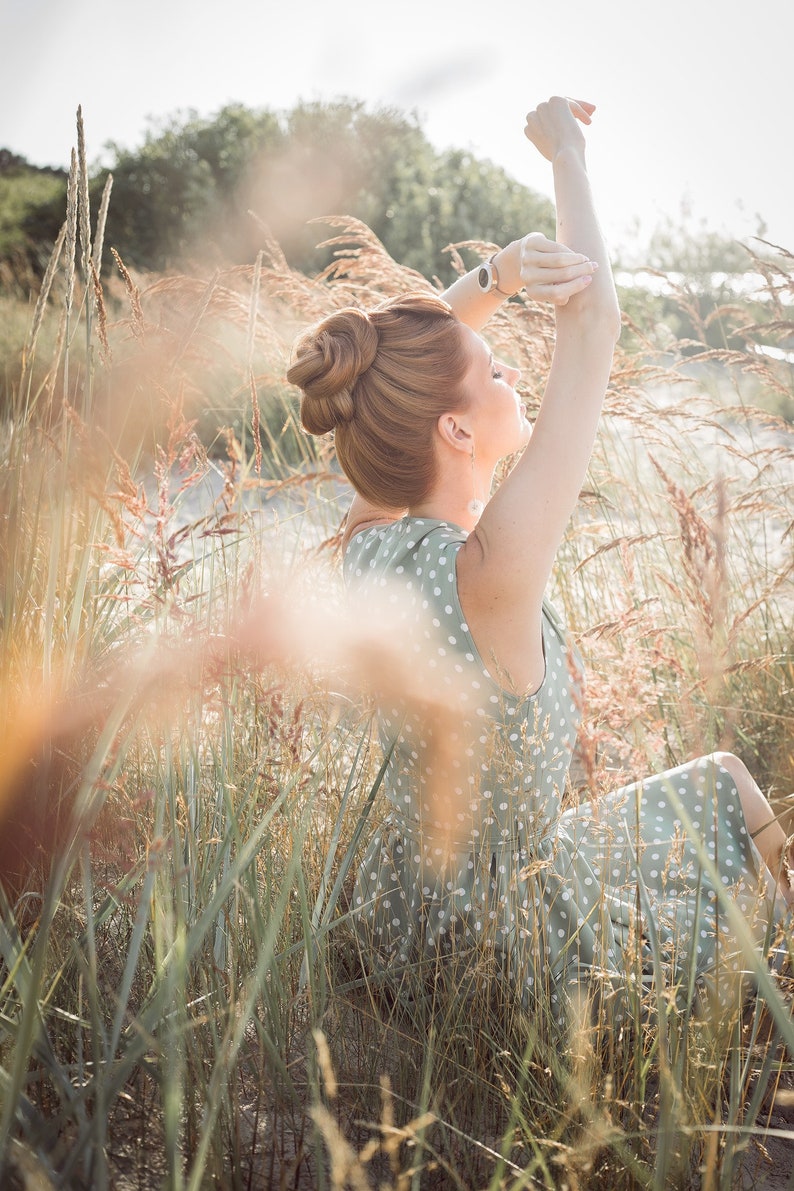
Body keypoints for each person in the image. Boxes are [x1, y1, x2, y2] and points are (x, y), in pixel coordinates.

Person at [286, 97, 791, 1025]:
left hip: (405, 918)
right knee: (727, 787)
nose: (513, 371)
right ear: (456, 426)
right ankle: (784, 988)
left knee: (702, 791)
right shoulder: (495, 573)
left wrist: (497, 274)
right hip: (507, 948)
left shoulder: (368, 542)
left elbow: (388, 379)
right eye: (496, 371)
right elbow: (594, 325)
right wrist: (567, 153)